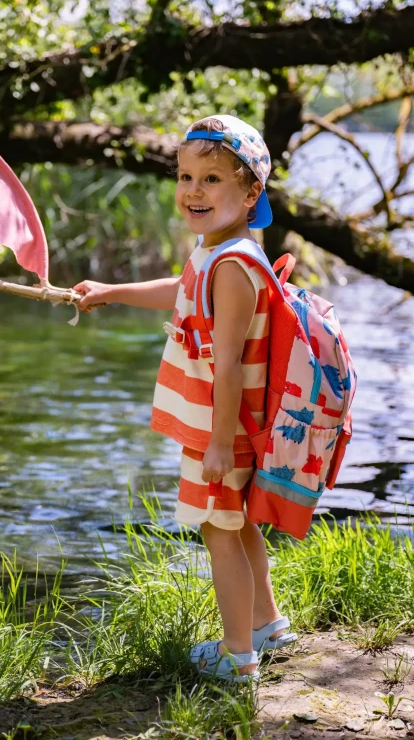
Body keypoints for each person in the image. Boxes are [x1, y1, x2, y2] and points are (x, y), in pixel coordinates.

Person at [74, 114, 296, 683]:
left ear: (251, 194)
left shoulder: (234, 266)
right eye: (185, 177)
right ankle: (267, 625)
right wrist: (112, 292)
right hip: (219, 428)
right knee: (236, 523)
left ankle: (238, 655)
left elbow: (227, 366)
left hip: (223, 430)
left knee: (218, 532)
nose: (193, 190)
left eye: (212, 179)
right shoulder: (214, 251)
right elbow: (179, 289)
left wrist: (220, 443)